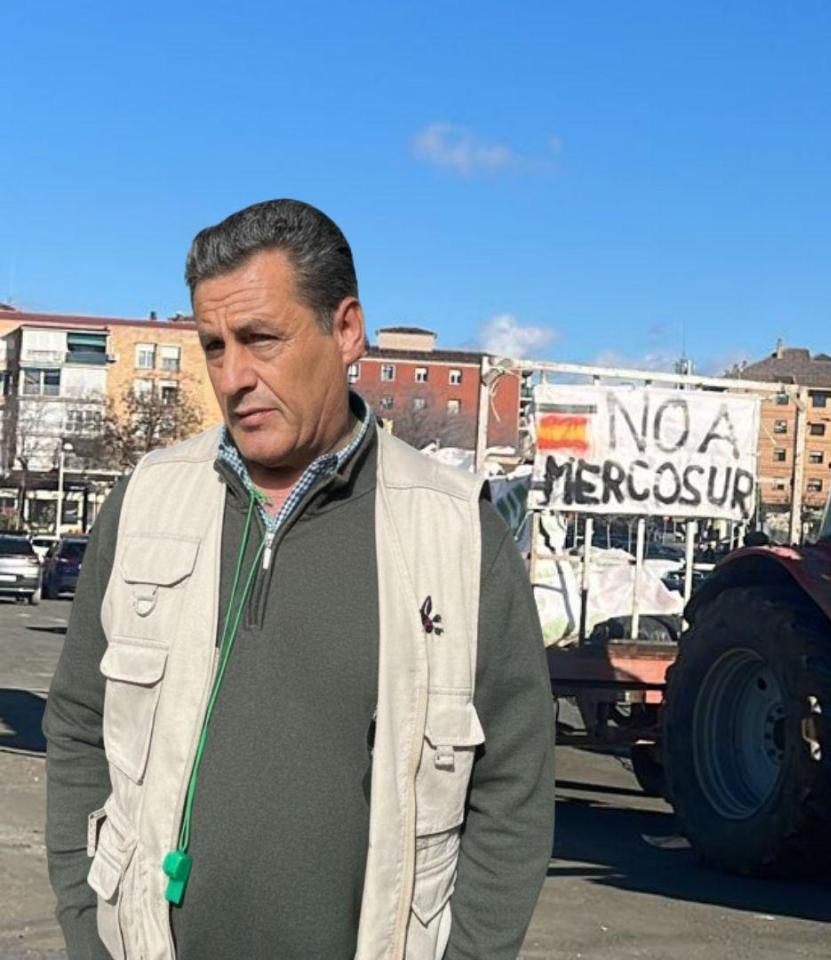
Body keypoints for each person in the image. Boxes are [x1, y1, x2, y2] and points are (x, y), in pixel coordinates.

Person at [44, 199, 554, 959]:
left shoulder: (455, 530)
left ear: (346, 330)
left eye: (261, 340)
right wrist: (90, 931)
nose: (233, 377)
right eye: (214, 347)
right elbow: (78, 725)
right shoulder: (147, 502)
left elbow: (514, 786)